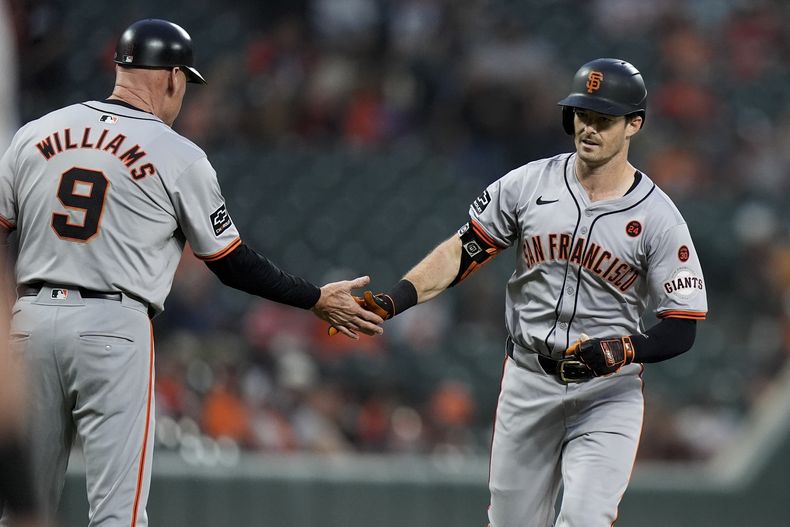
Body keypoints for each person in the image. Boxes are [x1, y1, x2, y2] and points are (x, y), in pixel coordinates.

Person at [0, 18, 383, 527]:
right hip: (113, 330)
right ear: (174, 78)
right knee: (118, 515)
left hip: (25, 324)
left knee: (24, 510)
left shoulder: (35, 133)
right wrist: (313, 297)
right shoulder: (178, 154)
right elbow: (232, 264)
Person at [353, 58, 707, 526]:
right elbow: (463, 251)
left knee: (584, 518)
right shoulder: (529, 183)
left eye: (605, 119)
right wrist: (396, 298)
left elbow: (681, 327)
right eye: (583, 115)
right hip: (527, 378)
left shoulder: (661, 218)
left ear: (633, 125)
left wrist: (624, 349)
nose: (590, 128)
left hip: (607, 393)